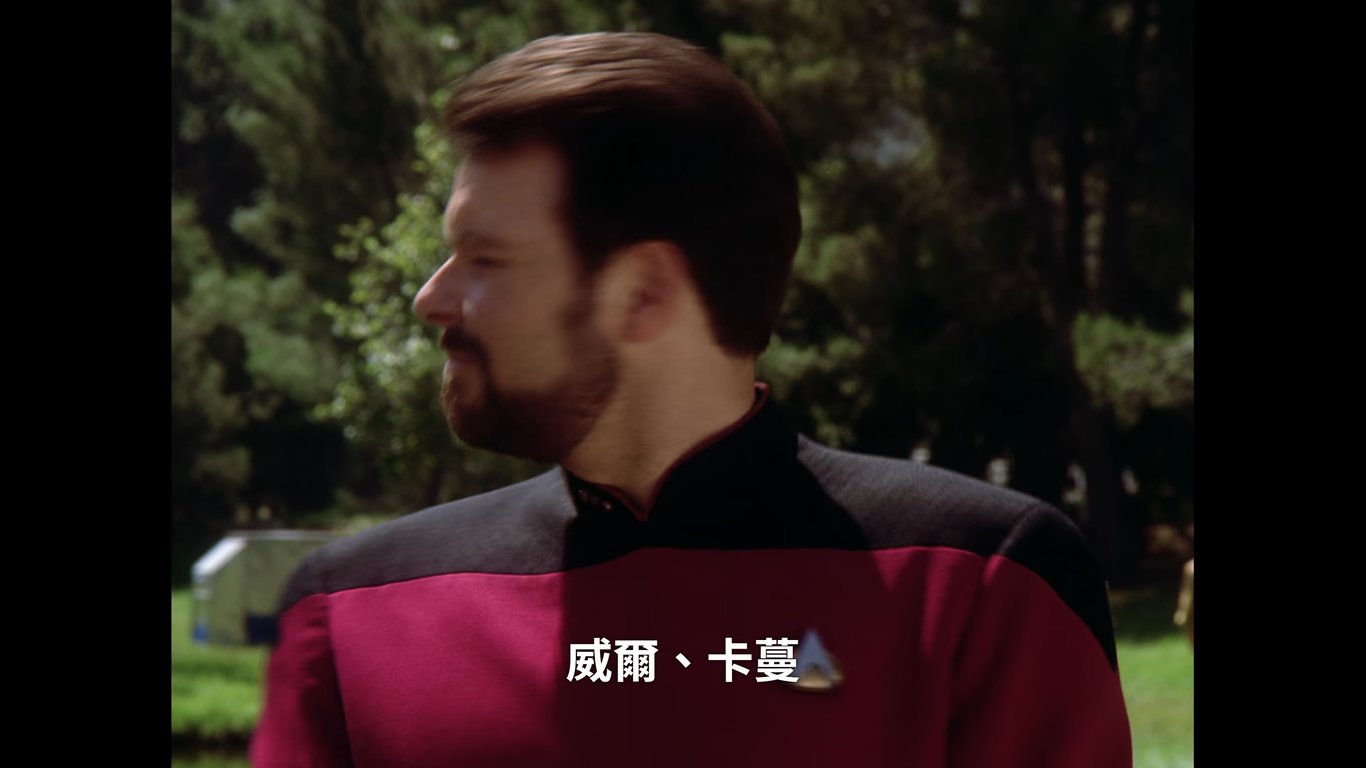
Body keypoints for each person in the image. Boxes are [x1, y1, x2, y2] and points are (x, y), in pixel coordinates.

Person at [251, 32, 1132, 767]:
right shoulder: (347, 621)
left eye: (486, 259)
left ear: (643, 293)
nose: (431, 299)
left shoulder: (981, 588)